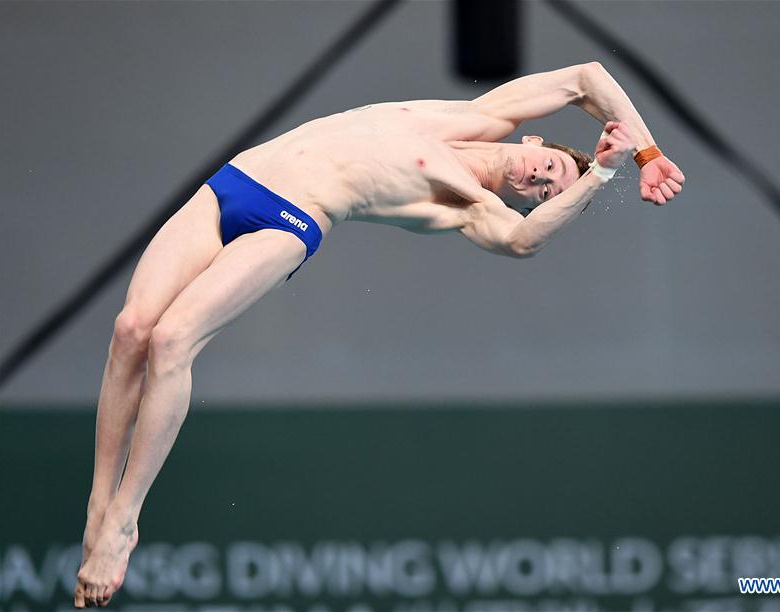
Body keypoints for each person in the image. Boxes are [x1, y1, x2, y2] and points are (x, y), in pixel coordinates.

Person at [74, 61, 684, 608]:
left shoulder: (467, 204)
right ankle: (99, 507)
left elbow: (524, 241)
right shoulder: (475, 116)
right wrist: (646, 155)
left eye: (548, 192)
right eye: (550, 166)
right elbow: (587, 79)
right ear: (532, 140)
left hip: (289, 220)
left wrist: (598, 176)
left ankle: (126, 517)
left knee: (173, 340)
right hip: (241, 178)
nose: (540, 181)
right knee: (131, 330)